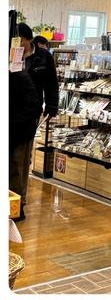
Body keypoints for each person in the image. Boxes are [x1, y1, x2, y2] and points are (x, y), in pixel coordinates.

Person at [9, 68, 43, 218]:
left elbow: (34, 108)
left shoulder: (20, 76)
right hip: (12, 129)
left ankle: (18, 209)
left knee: (17, 168)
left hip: (21, 132)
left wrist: (13, 121)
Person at [18, 23, 59, 118]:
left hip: (33, 108)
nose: (17, 44)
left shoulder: (44, 56)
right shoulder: (10, 55)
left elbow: (51, 84)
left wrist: (51, 107)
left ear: (30, 39)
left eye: (20, 41)